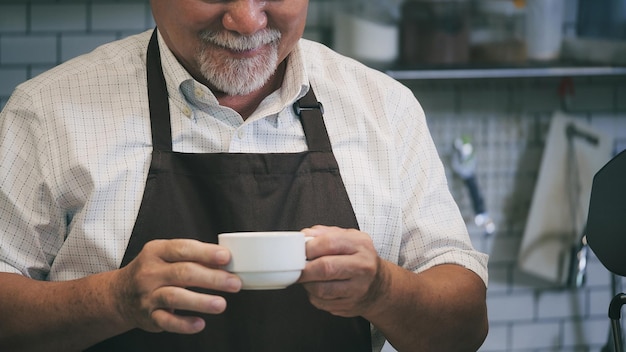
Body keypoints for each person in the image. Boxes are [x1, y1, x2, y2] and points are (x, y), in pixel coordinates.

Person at [0, 0, 489, 351]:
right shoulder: (47, 114)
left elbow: (465, 329)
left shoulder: (386, 109)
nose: (246, 20)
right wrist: (116, 300)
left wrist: (384, 290)